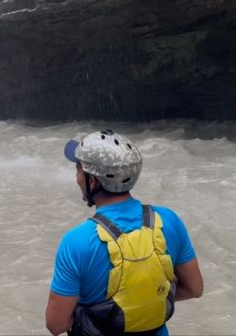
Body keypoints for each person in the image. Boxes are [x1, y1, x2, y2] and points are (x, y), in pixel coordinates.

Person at [45, 129, 203, 336]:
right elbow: (194, 289)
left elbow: (56, 325)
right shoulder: (169, 221)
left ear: (92, 182)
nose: (76, 177)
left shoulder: (76, 241)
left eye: (78, 171)